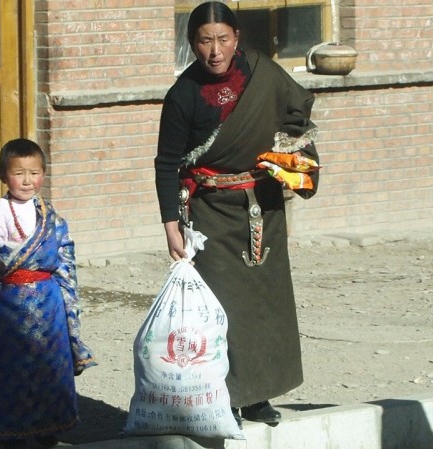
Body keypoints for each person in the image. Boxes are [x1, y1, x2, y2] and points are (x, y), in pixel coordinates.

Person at [154, 1, 320, 429]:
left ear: (237, 38)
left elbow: (297, 109)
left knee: (265, 302)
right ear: (192, 43)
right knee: (221, 308)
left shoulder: (261, 73)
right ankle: (223, 395)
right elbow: (167, 163)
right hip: (209, 213)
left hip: (261, 207)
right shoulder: (183, 95)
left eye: (223, 39)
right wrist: (171, 225)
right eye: (205, 41)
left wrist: (292, 152)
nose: (215, 51)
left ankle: (258, 395)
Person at [0, 138, 96, 448]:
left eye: (35, 173)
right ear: (2, 176)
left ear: (44, 174)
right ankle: (9, 434)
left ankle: (46, 429)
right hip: (7, 305)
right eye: (19, 173)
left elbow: (62, 252)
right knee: (9, 372)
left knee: (49, 367)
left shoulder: (49, 215)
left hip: (48, 304)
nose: (27, 180)